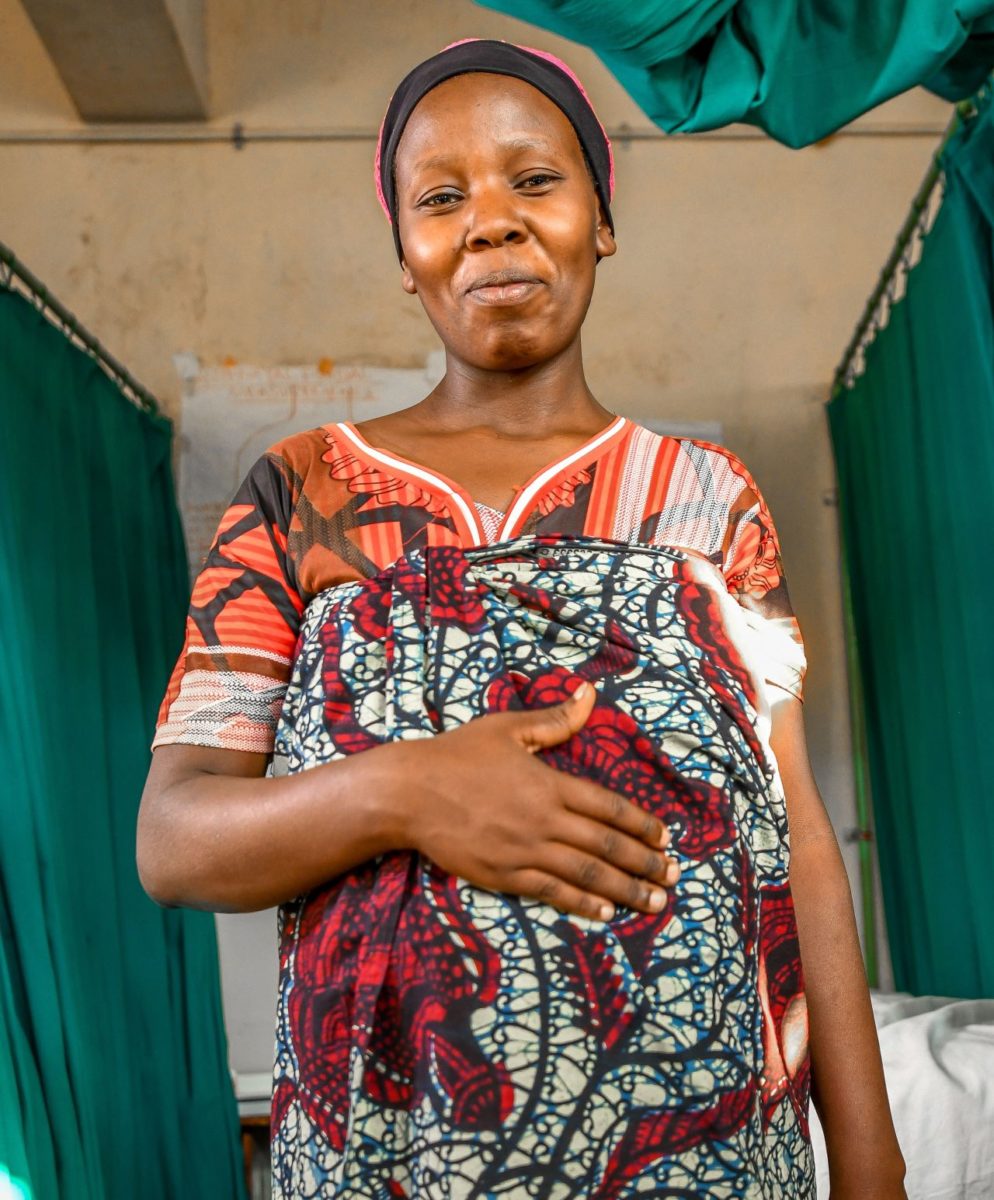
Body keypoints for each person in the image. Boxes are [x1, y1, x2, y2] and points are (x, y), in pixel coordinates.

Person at [138, 38, 907, 1199]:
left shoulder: (710, 502)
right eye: (439, 197)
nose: (489, 223)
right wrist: (406, 788)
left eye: (533, 180)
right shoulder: (301, 496)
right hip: (386, 1162)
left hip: (705, 1161)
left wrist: (869, 1162)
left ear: (601, 217)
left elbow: (796, 843)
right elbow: (176, 838)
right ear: (405, 252)